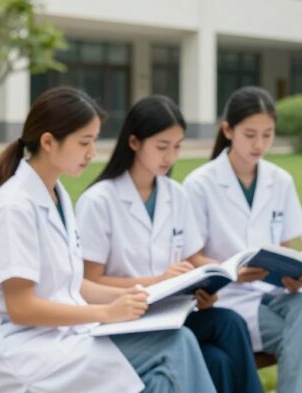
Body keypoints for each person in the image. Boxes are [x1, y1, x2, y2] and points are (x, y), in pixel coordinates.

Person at [0, 86, 215, 393]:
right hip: (22, 351)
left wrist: (143, 296)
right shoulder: (13, 207)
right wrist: (106, 313)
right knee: (177, 343)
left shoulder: (56, 196)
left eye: (94, 141)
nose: (92, 152)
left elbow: (73, 286)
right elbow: (21, 308)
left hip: (62, 338)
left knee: (157, 382)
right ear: (48, 142)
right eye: (85, 142)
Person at [77, 94, 264, 393]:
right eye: (162, 147)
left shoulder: (175, 194)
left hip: (172, 314)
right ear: (134, 142)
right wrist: (158, 281)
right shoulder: (99, 201)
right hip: (125, 324)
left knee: (227, 332)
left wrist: (207, 284)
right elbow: (88, 282)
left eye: (177, 147)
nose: (170, 157)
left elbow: (192, 260)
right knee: (216, 355)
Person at [184, 86, 302, 393]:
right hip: (229, 299)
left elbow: (284, 247)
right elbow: (192, 256)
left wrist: (294, 274)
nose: (260, 144)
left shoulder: (280, 180)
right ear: (227, 129)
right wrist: (232, 272)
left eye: (267, 135)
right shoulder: (199, 184)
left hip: (273, 292)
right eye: (250, 134)